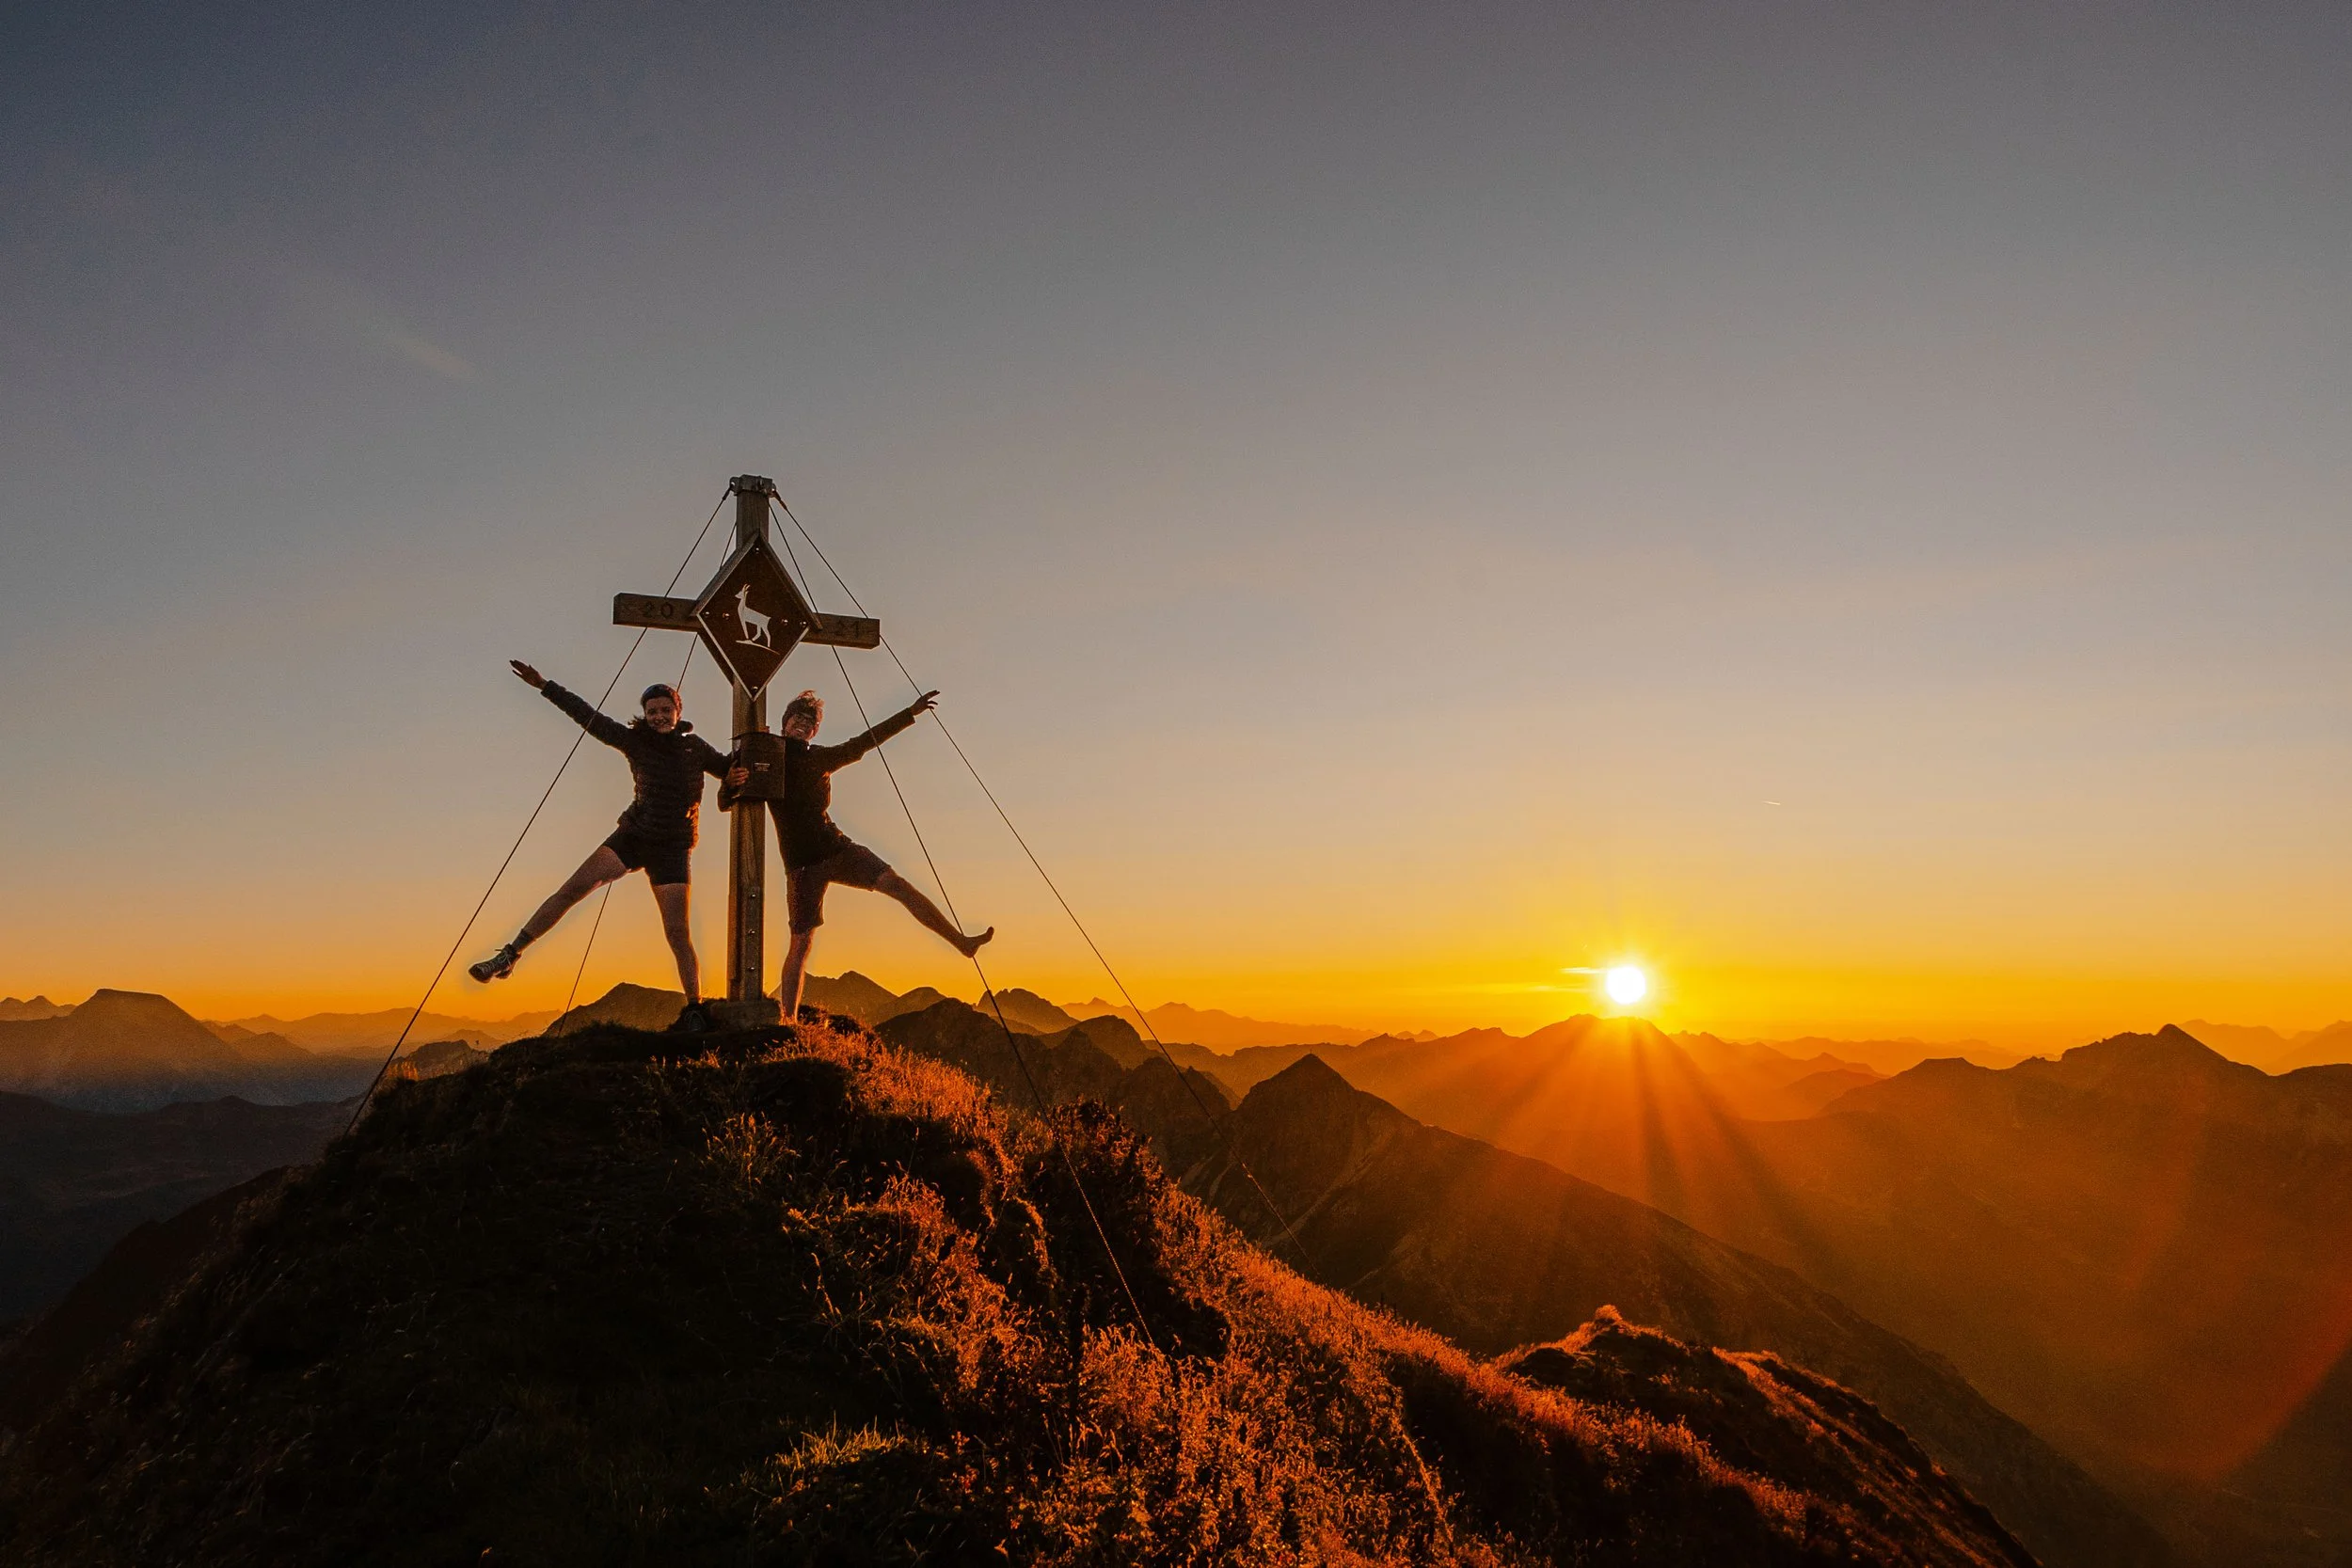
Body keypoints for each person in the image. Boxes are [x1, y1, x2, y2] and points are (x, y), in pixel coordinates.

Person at [469, 661, 730, 1031]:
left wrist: (749, 761)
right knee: (572, 889)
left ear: (678, 712)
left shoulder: (696, 749)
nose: (658, 716)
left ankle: (695, 1007)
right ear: (644, 714)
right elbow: (588, 717)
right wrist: (545, 685)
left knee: (677, 931)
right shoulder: (633, 741)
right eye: (652, 711)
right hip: (634, 835)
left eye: (665, 710)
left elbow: (727, 767)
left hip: (673, 847)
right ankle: (510, 955)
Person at [723, 688, 992, 1021]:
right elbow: (727, 800)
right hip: (802, 864)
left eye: (811, 722)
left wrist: (910, 713)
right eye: (798, 719)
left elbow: (865, 742)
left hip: (837, 847)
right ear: (785, 722)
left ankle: (961, 943)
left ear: (816, 730)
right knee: (801, 943)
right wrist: (729, 784)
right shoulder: (768, 759)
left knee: (898, 885)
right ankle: (789, 1022)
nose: (804, 726)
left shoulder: (820, 758)